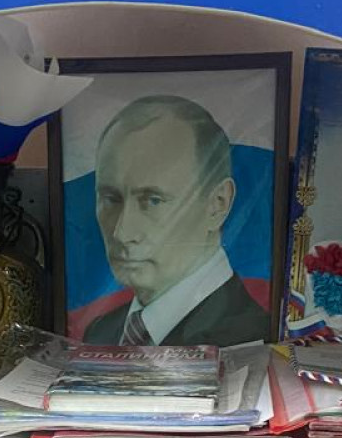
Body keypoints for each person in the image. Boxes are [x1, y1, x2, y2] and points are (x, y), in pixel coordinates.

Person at [82, 95, 269, 346]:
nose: (122, 232)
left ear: (218, 204)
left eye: (153, 200)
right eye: (110, 199)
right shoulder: (100, 333)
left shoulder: (252, 340)